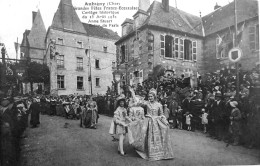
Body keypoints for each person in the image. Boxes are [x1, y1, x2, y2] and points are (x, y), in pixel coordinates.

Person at [128, 88, 174, 161]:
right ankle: (149, 152)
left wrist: (164, 121)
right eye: (149, 96)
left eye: (151, 96)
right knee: (147, 137)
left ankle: (159, 154)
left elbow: (161, 114)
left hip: (156, 123)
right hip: (148, 121)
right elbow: (137, 101)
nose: (150, 98)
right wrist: (132, 92)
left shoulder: (159, 105)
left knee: (158, 138)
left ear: (154, 96)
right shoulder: (147, 103)